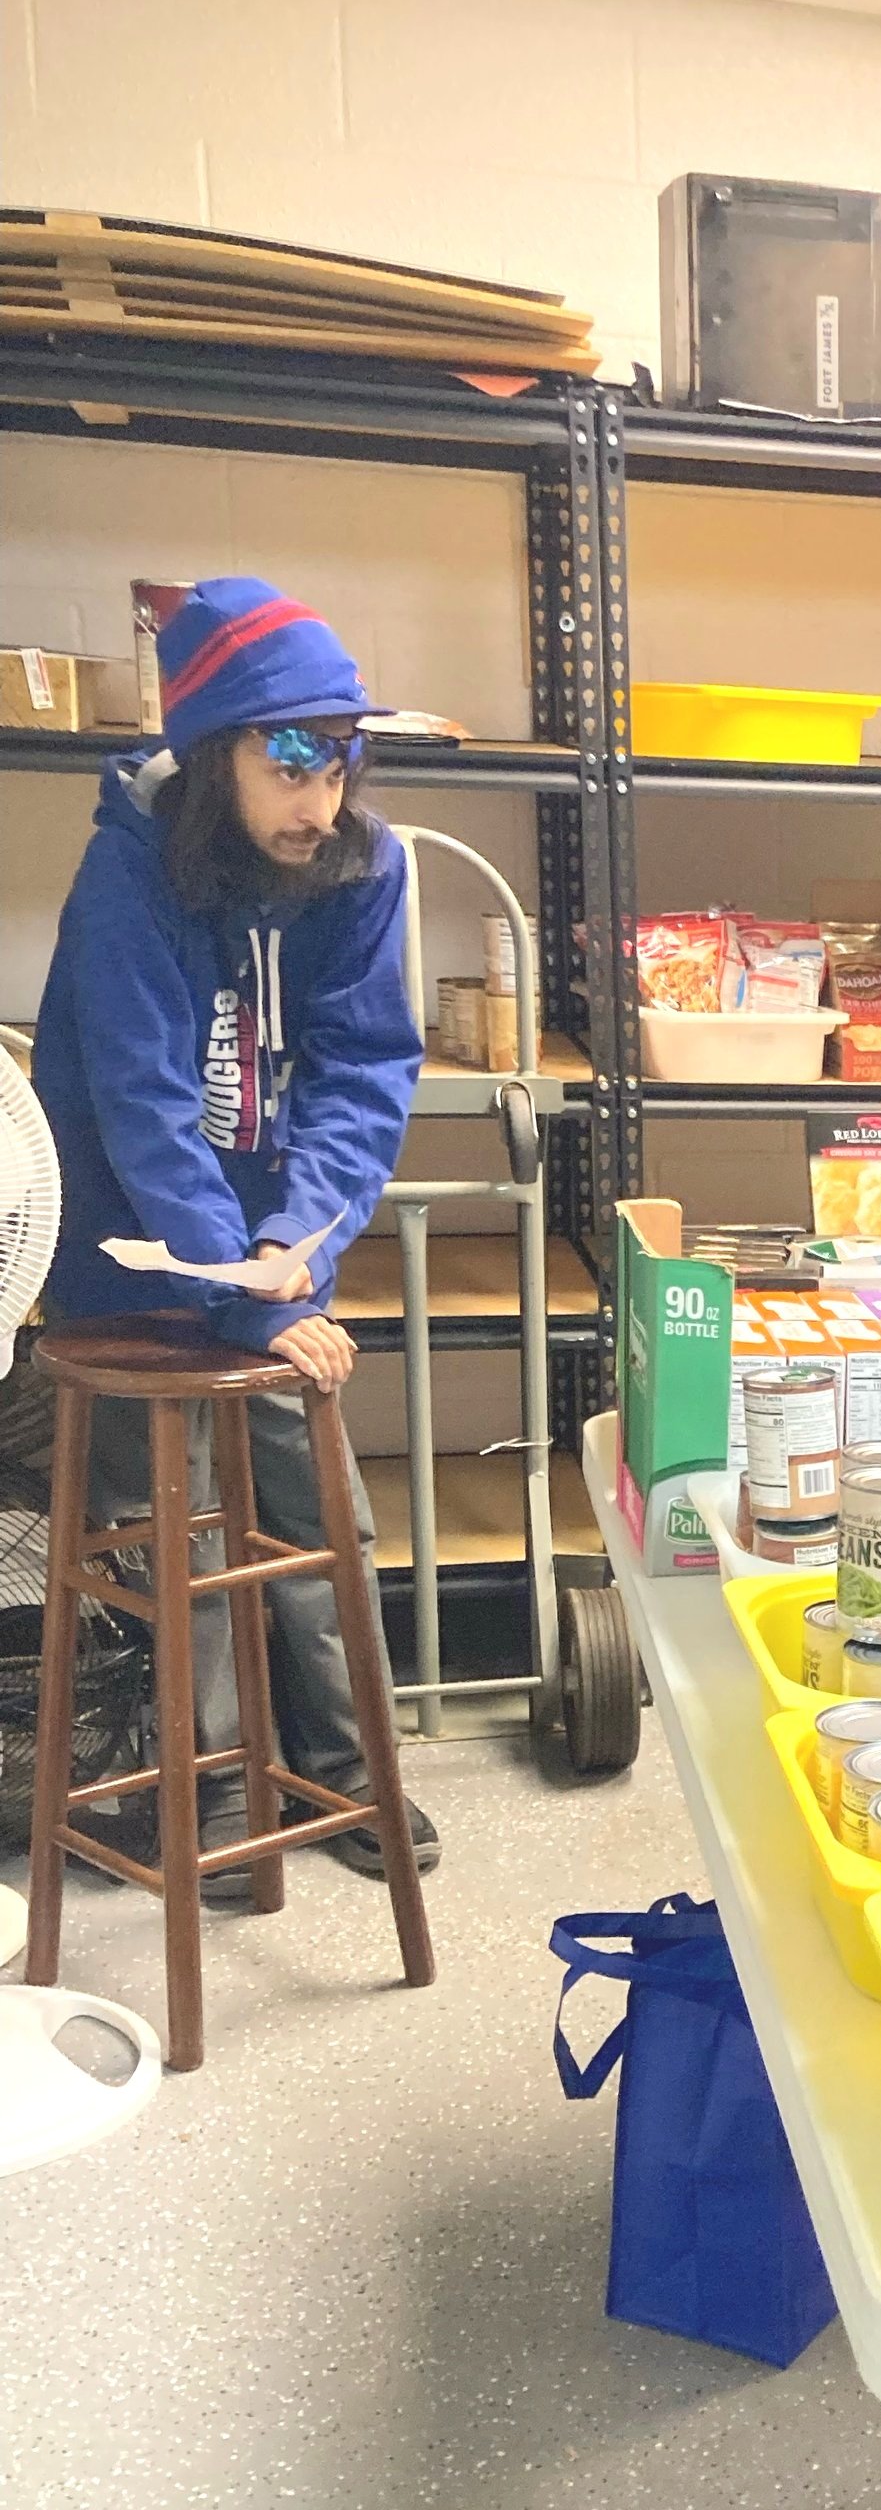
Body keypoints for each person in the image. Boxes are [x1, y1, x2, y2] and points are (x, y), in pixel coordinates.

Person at [34, 577, 437, 1888]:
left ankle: (345, 1778)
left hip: (274, 1250)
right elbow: (143, 1107)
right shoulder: (127, 876)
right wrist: (246, 1291)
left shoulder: (360, 868)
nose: (321, 793)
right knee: (174, 1537)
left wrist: (295, 1255)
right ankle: (189, 1793)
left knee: (324, 1515)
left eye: (342, 751)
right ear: (216, 752)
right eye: (291, 754)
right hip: (131, 1260)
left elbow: (364, 1069)